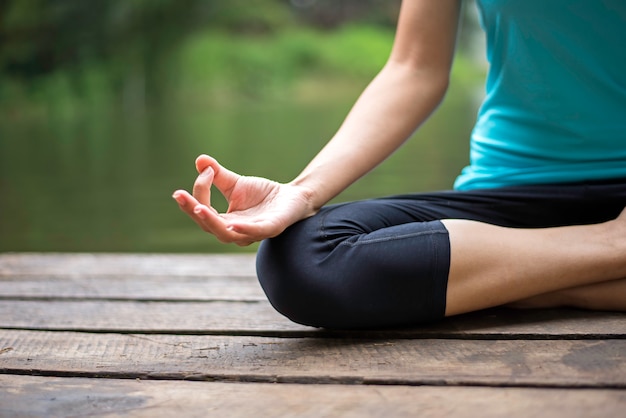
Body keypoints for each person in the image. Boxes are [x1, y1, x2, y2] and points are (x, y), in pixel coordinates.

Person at [172, 0, 626, 329]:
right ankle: (604, 256)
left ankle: (515, 282)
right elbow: (414, 67)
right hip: (511, 193)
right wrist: (303, 192)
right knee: (303, 259)